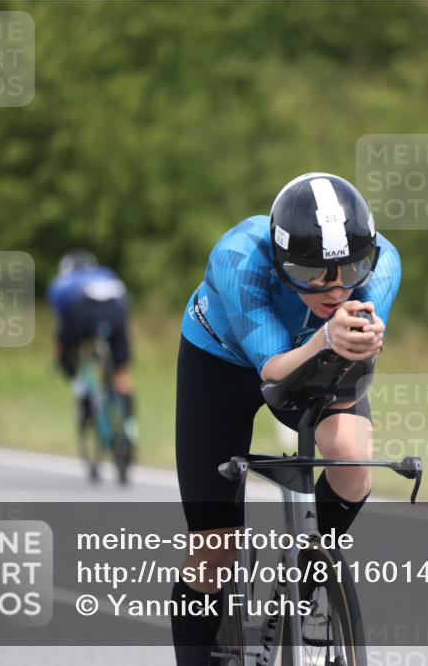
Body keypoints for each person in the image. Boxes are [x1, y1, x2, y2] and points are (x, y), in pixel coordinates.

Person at [171, 172, 400, 664]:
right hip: (224, 361)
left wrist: (355, 337)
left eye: (348, 270)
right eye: (310, 274)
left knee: (353, 463)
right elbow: (274, 375)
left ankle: (307, 582)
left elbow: (354, 337)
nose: (334, 289)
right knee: (215, 546)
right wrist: (325, 338)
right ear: (279, 263)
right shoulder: (238, 260)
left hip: (323, 350)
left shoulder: (382, 264)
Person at [47, 250, 137, 471]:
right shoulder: (106, 273)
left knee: (63, 353)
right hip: (116, 312)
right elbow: (125, 303)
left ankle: (81, 389)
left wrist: (62, 355)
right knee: (121, 373)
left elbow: (62, 322)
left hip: (81, 312)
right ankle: (130, 427)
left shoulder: (61, 283)